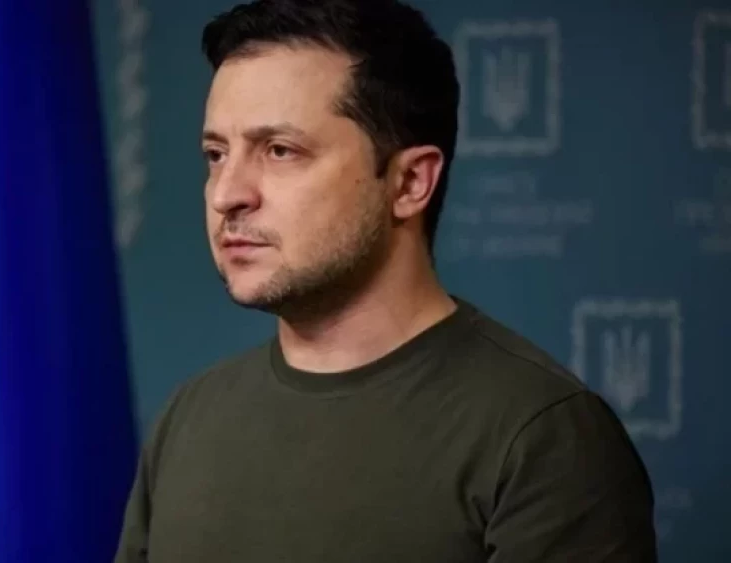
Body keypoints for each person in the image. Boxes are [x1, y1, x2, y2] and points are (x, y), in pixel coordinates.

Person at [113, 0, 658, 561]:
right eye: (216, 154)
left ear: (409, 183)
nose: (227, 193)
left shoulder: (543, 439)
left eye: (279, 150)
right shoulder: (189, 419)